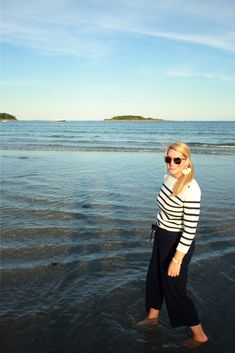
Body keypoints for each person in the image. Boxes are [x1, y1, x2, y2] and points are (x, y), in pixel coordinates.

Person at [137, 142, 208, 348]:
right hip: (161, 236)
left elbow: (190, 230)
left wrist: (177, 259)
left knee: (175, 290)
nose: (171, 163)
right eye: (168, 158)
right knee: (155, 279)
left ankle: (199, 335)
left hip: (178, 243)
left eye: (177, 159)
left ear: (187, 160)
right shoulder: (168, 178)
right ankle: (152, 318)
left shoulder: (191, 189)